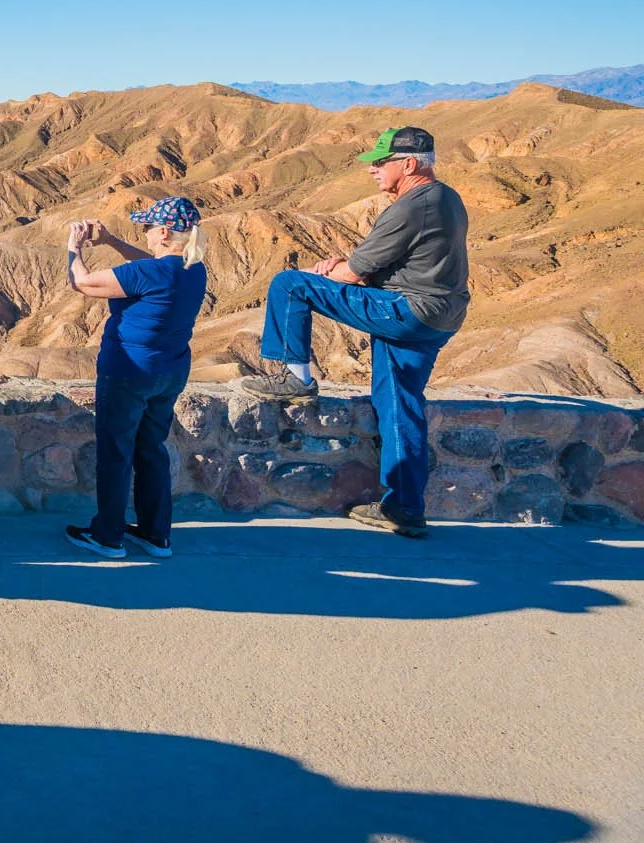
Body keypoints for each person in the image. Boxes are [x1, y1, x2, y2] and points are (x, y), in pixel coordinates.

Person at [237, 127, 469, 539]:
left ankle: (296, 377)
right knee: (399, 403)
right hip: (441, 316)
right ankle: (405, 509)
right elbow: (406, 261)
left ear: (409, 164)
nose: (373, 171)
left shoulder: (410, 206)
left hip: (408, 311)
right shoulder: (448, 198)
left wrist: (321, 272)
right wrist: (346, 268)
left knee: (289, 284)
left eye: (381, 163)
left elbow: (355, 273)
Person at [62, 197, 209, 559]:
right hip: (170, 371)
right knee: (151, 449)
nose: (143, 233)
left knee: (116, 451)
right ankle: (155, 533)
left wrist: (73, 247)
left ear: (162, 233)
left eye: (147, 228)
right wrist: (111, 241)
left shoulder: (149, 274)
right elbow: (147, 265)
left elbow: (81, 282)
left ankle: (108, 535)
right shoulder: (194, 268)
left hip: (128, 372)